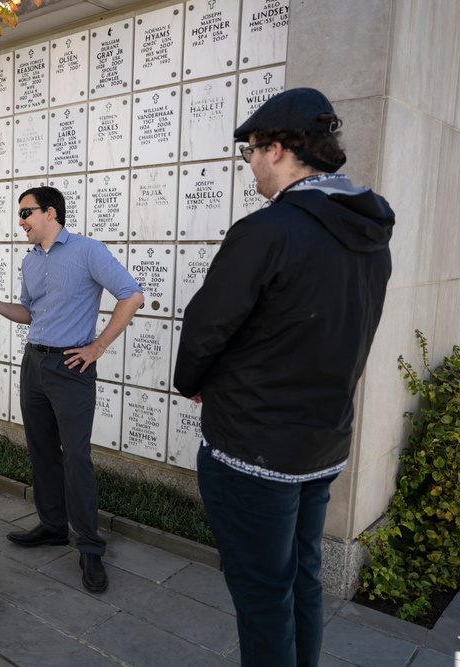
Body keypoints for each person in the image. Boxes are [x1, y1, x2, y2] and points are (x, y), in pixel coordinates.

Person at [173, 88, 394, 667]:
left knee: (264, 597)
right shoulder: (370, 237)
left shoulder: (268, 231)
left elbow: (205, 328)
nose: (248, 165)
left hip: (253, 448)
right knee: (302, 580)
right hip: (320, 443)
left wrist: (194, 379)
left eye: (249, 152)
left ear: (277, 150)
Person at [0, 186, 144, 593]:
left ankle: (90, 546)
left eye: (26, 213)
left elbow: (131, 295)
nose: (21, 222)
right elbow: (29, 312)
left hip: (71, 366)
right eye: (19, 214)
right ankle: (52, 525)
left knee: (76, 457)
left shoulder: (88, 251)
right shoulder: (30, 262)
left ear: (51, 212)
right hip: (35, 361)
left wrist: (97, 347)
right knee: (41, 448)